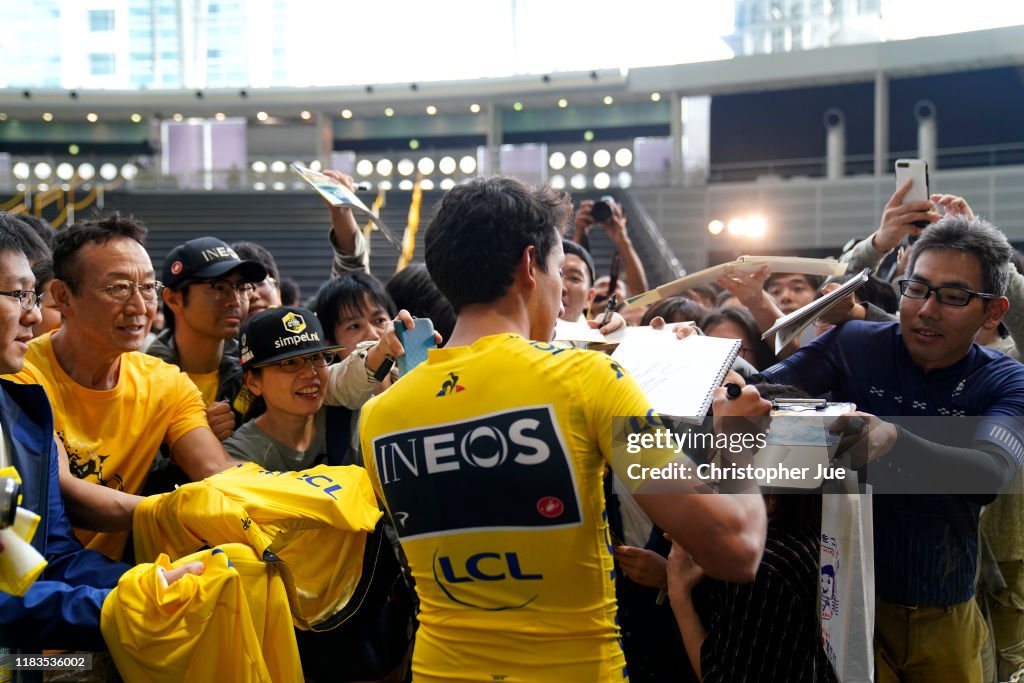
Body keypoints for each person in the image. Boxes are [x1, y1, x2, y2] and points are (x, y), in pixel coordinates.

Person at [359, 176, 768, 681]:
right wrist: (737, 439)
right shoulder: (587, 380)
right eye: (558, 268)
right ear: (531, 266)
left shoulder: (378, 416)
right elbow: (736, 549)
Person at [760, 214, 1024, 682]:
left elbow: (988, 475)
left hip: (945, 607)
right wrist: (708, 362)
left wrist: (894, 439)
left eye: (954, 296)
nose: (926, 309)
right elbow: (763, 392)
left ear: (994, 312)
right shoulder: (852, 344)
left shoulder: (1005, 381)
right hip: (839, 602)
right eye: (916, 288)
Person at [0, 216, 200, 650]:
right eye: (18, 296)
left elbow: (49, 556)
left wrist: (150, 583)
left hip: (31, 654)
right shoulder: (31, 385)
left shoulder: (20, 413)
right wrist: (114, 605)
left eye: (147, 287)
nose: (35, 315)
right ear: (67, 297)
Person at [5, 214, 239, 561]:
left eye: (147, 287)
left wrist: (284, 494)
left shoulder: (166, 383)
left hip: (102, 578)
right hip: (36, 574)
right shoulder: (21, 374)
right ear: (63, 296)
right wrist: (172, 510)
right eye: (118, 288)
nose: (140, 306)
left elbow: (217, 470)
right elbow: (63, 492)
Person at [148, 236, 267, 441]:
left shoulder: (254, 371)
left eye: (241, 287)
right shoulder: (144, 381)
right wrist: (188, 443)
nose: (235, 300)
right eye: (218, 287)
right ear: (173, 299)